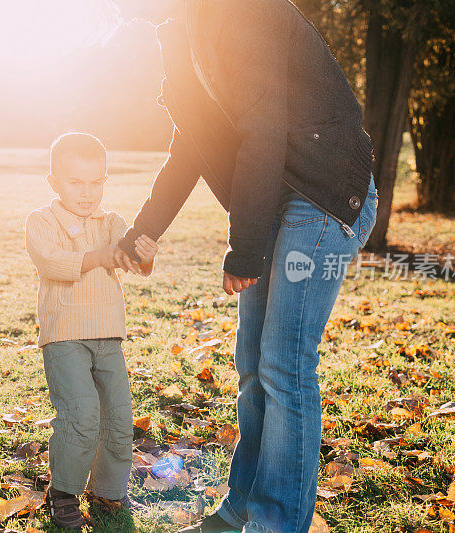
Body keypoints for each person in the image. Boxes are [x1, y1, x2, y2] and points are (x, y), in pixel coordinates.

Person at [108, 1, 378, 532]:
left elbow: (263, 128)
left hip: (324, 195)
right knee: (253, 363)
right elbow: (192, 140)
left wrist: (247, 248)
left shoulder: (244, 11)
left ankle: (276, 523)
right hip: (279, 196)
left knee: (284, 361)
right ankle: (242, 510)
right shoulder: (180, 28)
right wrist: (146, 229)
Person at [24, 132, 158, 531]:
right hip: (64, 335)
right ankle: (64, 492)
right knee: (81, 413)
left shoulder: (112, 223)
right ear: (54, 182)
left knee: (118, 415)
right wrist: (99, 256)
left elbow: (132, 262)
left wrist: (145, 259)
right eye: (75, 182)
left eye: (96, 182)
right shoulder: (41, 221)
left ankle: (108, 489)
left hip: (108, 337)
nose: (86, 193)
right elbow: (51, 262)